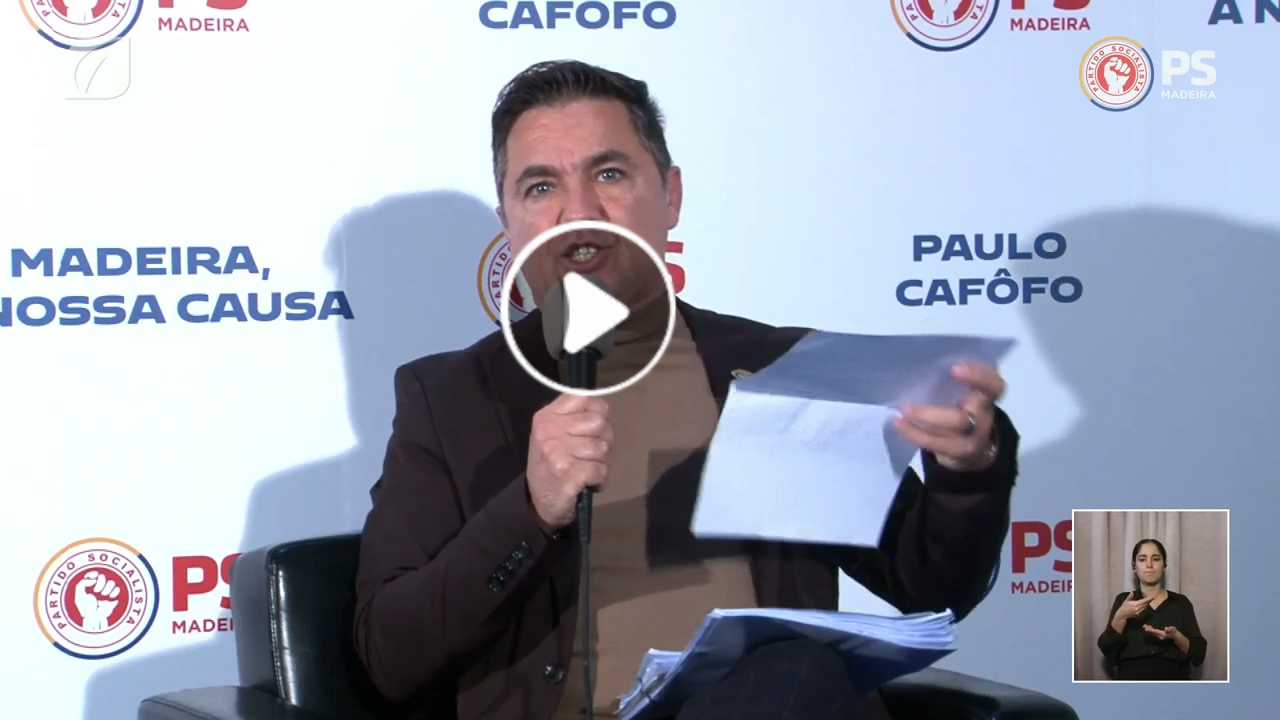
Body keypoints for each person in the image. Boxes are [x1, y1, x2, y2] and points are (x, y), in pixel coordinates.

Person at [351, 59, 1020, 720]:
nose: (579, 212)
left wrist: (964, 472)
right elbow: (392, 656)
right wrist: (529, 510)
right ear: (510, 221)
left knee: (798, 669)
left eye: (608, 174)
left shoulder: (777, 368)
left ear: (670, 195)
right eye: (541, 186)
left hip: (775, 707)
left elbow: (932, 589)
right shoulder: (450, 398)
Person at [1097, 538, 1208, 681]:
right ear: (1134, 566)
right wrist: (1120, 617)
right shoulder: (1123, 601)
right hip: (1131, 682)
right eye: (1142, 559)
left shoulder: (1181, 603)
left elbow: (1199, 655)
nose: (1149, 565)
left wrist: (1176, 636)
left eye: (1156, 559)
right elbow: (1108, 651)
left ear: (1164, 565)